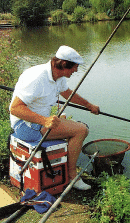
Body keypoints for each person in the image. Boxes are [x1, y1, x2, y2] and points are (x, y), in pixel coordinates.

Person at [9, 45, 100, 191]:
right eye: (74, 67)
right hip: (25, 127)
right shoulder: (37, 77)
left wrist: (89, 105)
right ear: (64, 64)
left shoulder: (58, 76)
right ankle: (72, 177)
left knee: (69, 122)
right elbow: (15, 108)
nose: (76, 71)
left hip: (37, 122)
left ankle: (64, 166)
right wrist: (44, 121)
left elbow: (68, 93)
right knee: (81, 130)